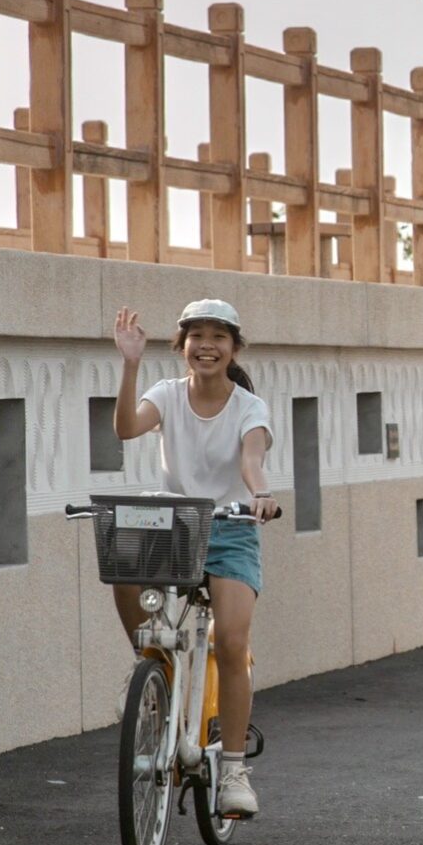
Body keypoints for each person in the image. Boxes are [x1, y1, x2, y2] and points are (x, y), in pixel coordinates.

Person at [111, 300, 278, 818]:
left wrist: (261, 494)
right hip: (175, 524)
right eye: (196, 336)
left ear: (233, 348)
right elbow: (125, 428)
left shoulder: (248, 406)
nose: (206, 345)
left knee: (231, 642)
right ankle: (152, 669)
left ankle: (232, 769)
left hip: (230, 528)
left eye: (218, 337)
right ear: (182, 346)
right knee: (122, 567)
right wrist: (131, 363)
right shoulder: (166, 394)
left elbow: (251, 460)